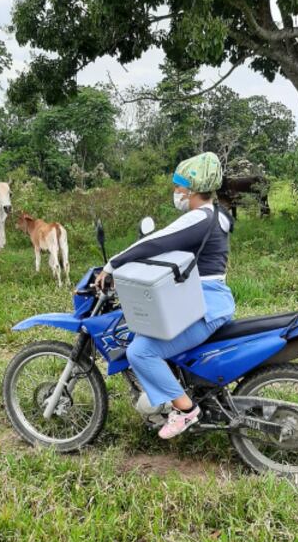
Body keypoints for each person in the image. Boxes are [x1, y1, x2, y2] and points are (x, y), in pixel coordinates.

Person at [94, 152, 236, 439]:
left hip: (203, 306)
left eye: (179, 186)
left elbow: (155, 242)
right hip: (208, 301)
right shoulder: (218, 215)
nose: (176, 192)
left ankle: (185, 410)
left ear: (193, 189)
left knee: (140, 351)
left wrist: (112, 266)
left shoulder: (198, 218)